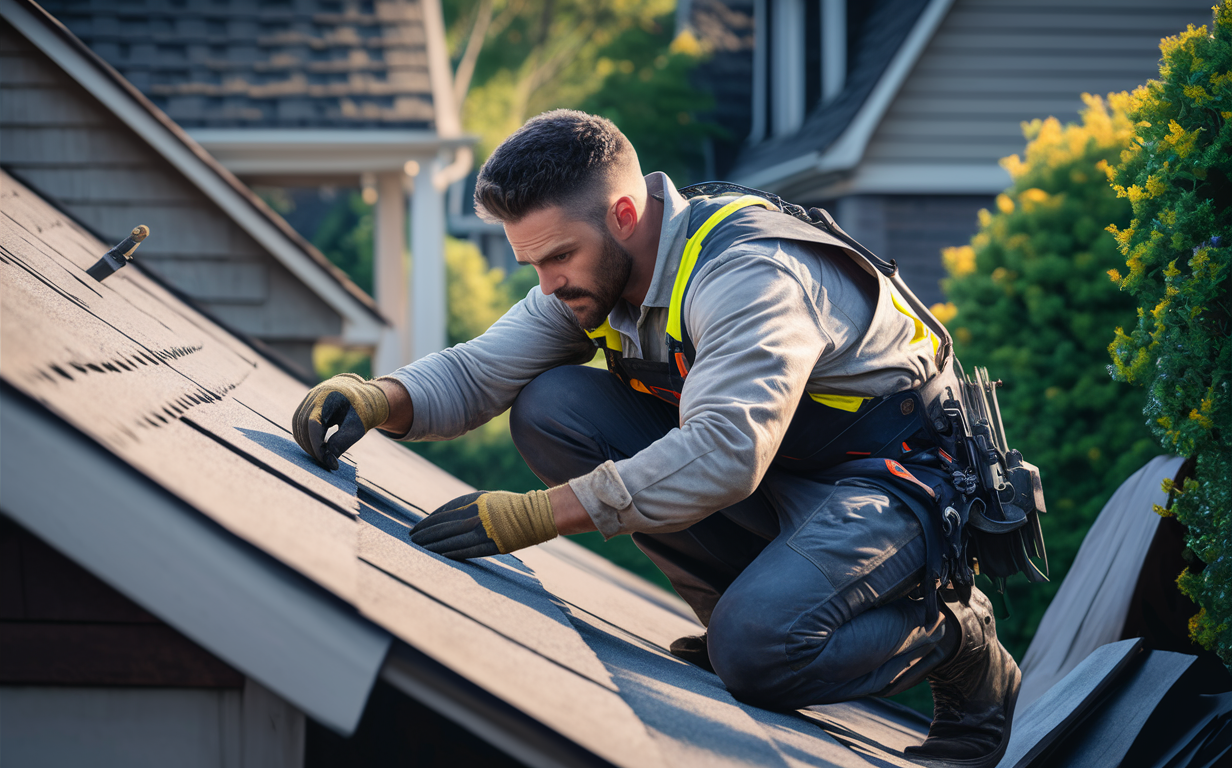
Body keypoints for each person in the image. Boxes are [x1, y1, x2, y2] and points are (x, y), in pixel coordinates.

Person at [292, 110, 1020, 768]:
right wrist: (375, 396)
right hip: (785, 473)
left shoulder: (747, 274)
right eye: (534, 264)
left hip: (894, 488)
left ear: (624, 213)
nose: (548, 284)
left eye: (558, 258)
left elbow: (726, 451)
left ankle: (955, 635)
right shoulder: (592, 276)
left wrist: (537, 516)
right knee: (552, 405)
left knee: (758, 655)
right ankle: (749, 603)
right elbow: (485, 368)